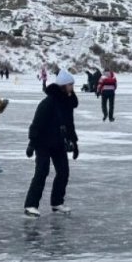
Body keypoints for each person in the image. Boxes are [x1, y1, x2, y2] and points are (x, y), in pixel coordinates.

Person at [24, 70, 79, 217]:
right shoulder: (48, 103)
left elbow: (69, 125)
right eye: (70, 85)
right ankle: (30, 205)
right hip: (42, 142)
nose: (72, 87)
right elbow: (37, 123)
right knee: (42, 171)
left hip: (58, 142)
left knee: (63, 172)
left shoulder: (67, 103)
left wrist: (74, 143)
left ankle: (57, 202)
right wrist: (31, 144)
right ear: (63, 86)